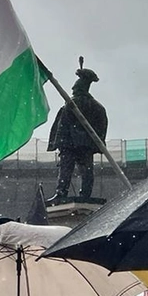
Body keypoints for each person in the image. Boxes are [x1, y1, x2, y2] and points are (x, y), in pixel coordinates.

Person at [47, 67, 108, 204]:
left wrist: (59, 143)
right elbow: (102, 127)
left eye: (75, 89)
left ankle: (61, 192)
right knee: (85, 171)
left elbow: (61, 126)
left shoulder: (70, 105)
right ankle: (84, 193)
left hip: (70, 144)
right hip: (85, 145)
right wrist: (95, 142)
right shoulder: (97, 107)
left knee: (66, 169)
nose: (73, 91)